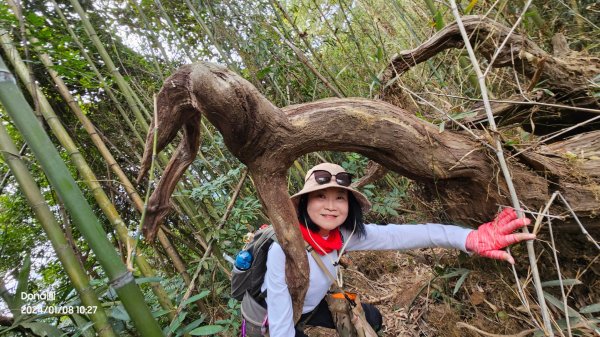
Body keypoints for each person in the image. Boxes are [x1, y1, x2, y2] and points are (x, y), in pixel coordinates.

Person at [253, 162, 535, 337]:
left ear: (349, 205)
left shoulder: (346, 236)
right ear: (304, 204)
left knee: (372, 319)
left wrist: (470, 238)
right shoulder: (284, 248)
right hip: (275, 318)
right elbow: (279, 320)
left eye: (340, 197)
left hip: (311, 308)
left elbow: (405, 234)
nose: (330, 205)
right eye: (320, 197)